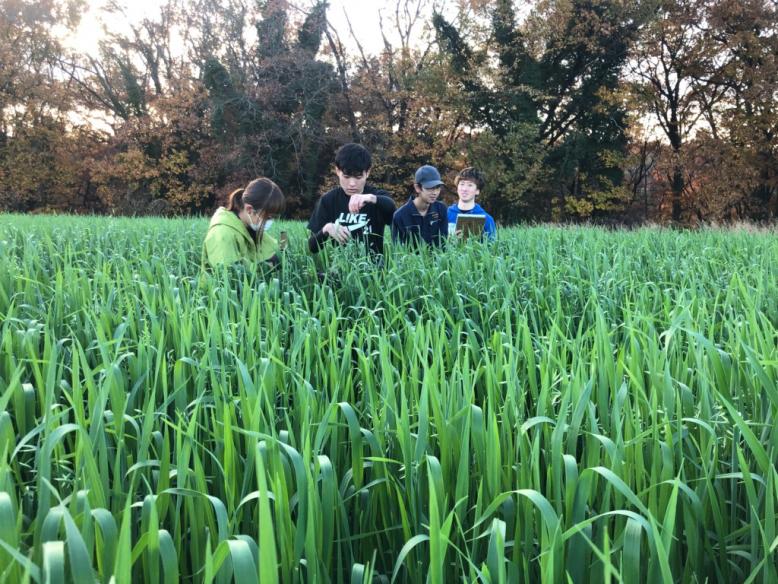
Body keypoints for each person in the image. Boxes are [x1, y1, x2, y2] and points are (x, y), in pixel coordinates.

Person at [307, 143, 396, 257]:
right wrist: (326, 229)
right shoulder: (328, 200)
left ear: (368, 172)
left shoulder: (376, 197)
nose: (352, 184)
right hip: (341, 270)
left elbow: (392, 208)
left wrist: (370, 198)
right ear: (337, 171)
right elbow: (312, 247)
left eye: (358, 177)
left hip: (375, 272)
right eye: (346, 177)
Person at [202, 177, 285, 268]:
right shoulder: (222, 234)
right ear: (249, 209)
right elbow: (229, 275)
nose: (270, 222)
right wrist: (266, 267)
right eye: (268, 217)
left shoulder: (251, 228)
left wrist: (283, 245)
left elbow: (276, 248)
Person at [392, 165, 449, 247]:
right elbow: (397, 250)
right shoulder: (400, 215)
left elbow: (444, 244)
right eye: (429, 188)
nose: (435, 192)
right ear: (417, 188)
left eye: (437, 188)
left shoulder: (441, 209)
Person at [447, 167, 496, 239]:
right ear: (457, 188)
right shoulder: (446, 214)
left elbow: (492, 247)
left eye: (470, 185)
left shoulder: (486, 219)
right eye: (462, 184)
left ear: (477, 191)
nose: (464, 189)